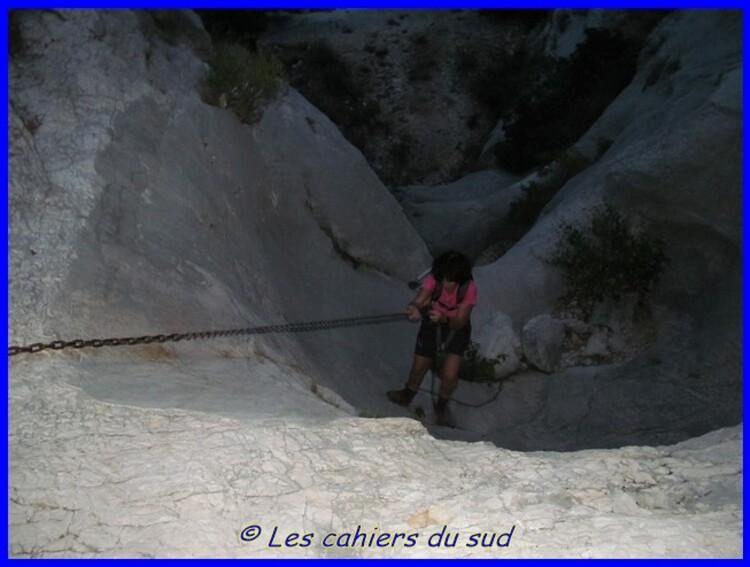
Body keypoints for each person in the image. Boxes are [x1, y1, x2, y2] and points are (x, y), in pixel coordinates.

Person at [387, 250, 477, 425]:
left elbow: (459, 323)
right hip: (432, 320)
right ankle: (408, 393)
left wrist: (444, 318)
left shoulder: (469, 288)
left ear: (458, 279)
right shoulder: (435, 278)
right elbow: (421, 297)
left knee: (450, 374)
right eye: (442, 278)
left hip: (457, 327)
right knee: (419, 365)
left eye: (449, 280)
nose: (444, 283)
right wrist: (414, 307)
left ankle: (441, 404)